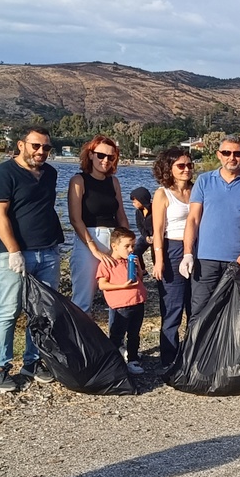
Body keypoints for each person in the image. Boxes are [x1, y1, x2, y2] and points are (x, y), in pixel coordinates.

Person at [0, 126, 65, 392]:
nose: (41, 152)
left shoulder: (50, 173)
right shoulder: (3, 174)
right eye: (36, 146)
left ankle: (34, 361)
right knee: (8, 310)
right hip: (15, 255)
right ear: (21, 145)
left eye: (46, 148)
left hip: (48, 252)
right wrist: (13, 251)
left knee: (42, 312)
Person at [181, 136, 240, 314]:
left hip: (237, 259)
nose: (231, 157)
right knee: (200, 310)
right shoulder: (204, 180)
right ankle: (199, 343)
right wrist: (188, 253)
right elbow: (193, 219)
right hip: (205, 259)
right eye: (226, 152)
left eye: (237, 153)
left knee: (232, 312)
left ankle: (228, 343)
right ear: (219, 155)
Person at [67, 135, 130, 315]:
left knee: (118, 293)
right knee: (83, 299)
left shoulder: (113, 182)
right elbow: (75, 219)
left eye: (111, 157)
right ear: (90, 155)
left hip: (114, 240)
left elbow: (121, 216)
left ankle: (112, 340)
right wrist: (94, 249)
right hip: (88, 239)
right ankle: (78, 342)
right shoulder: (79, 181)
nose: (105, 160)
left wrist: (129, 247)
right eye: (101, 155)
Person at [149, 148, 194, 373]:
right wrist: (159, 259)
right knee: (172, 308)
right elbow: (157, 230)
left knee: (195, 306)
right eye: (181, 166)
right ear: (169, 168)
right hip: (172, 248)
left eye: (189, 165)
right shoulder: (162, 194)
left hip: (196, 249)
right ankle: (168, 359)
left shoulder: (197, 191)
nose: (186, 169)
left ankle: (193, 356)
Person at [96, 227, 147, 374]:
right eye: (127, 246)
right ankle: (114, 361)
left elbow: (140, 280)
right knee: (117, 334)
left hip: (137, 301)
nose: (131, 249)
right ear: (114, 246)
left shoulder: (130, 261)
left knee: (134, 333)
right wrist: (121, 286)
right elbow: (102, 284)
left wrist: (138, 268)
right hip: (120, 306)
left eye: (133, 245)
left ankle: (133, 358)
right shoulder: (107, 263)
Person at [129, 187, 153, 265]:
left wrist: (154, 236)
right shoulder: (138, 212)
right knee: (135, 251)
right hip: (145, 235)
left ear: (141, 200)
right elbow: (139, 225)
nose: (133, 204)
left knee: (155, 255)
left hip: (156, 236)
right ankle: (142, 270)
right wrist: (146, 236)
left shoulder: (154, 209)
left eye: (135, 201)